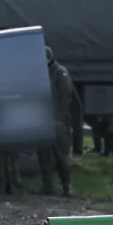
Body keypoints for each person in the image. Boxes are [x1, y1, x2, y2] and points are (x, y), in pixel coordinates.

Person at [38, 47, 74, 196]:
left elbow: (66, 96)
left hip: (58, 120)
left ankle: (67, 186)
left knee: (61, 155)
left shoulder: (59, 72)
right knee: (44, 154)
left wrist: (59, 119)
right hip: (44, 119)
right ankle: (47, 185)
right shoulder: (44, 72)